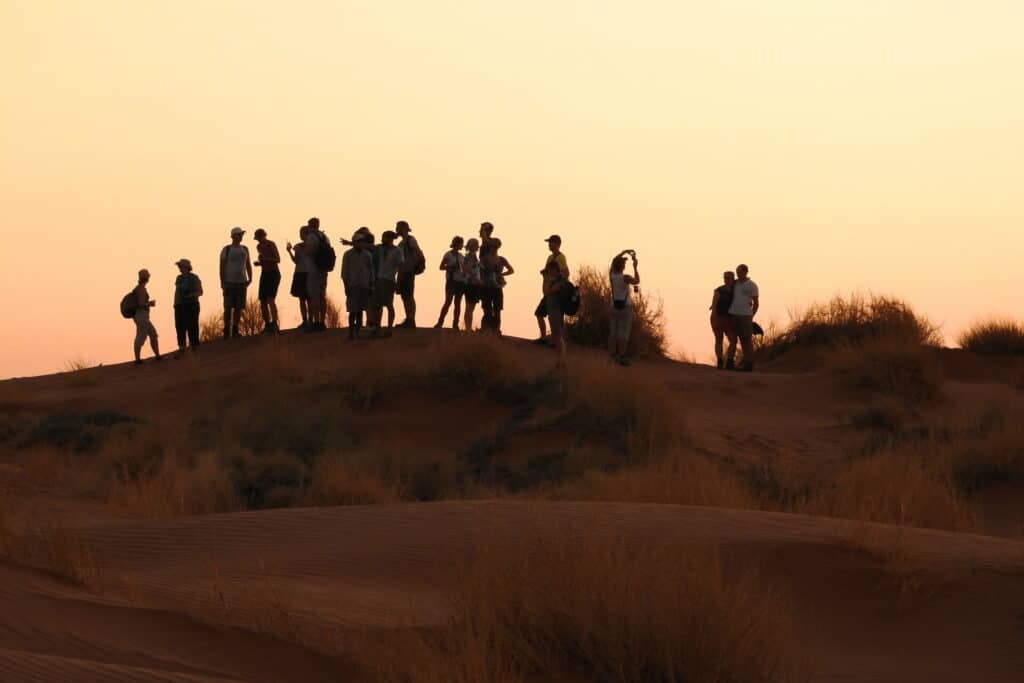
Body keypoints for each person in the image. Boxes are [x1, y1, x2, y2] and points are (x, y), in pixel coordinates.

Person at [534, 234, 570, 344]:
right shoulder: (550, 257)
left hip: (557, 292)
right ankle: (544, 338)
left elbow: (566, 273)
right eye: (549, 242)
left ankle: (557, 341)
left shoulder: (561, 257)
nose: (549, 245)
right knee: (540, 313)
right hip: (548, 290)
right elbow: (547, 271)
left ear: (558, 244)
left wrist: (554, 278)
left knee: (556, 317)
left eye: (552, 242)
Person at [219, 227, 252, 338]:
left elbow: (248, 264)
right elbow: (222, 266)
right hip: (229, 281)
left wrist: (250, 278)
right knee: (228, 307)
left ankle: (235, 329)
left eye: (241, 234)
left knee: (239, 307)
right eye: (238, 235)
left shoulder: (245, 249)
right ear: (233, 236)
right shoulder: (227, 249)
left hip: (242, 281)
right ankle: (226, 329)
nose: (240, 236)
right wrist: (222, 282)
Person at [609, 251, 640, 366]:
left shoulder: (611, 275)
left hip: (613, 306)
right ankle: (622, 356)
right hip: (625, 307)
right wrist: (635, 267)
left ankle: (613, 355)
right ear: (622, 266)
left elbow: (614, 260)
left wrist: (624, 252)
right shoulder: (625, 277)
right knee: (623, 333)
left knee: (613, 331)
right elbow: (637, 280)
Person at [341, 233, 375, 340]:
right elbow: (344, 272)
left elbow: (371, 271)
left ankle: (358, 332)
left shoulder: (367, 255)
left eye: (362, 241)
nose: (360, 243)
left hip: (364, 286)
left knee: (360, 310)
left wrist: (371, 286)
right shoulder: (348, 255)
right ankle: (351, 332)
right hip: (352, 285)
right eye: (358, 241)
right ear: (354, 242)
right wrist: (346, 287)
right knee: (352, 310)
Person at [371, 229, 403, 336]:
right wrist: (351, 243)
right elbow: (367, 246)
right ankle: (377, 327)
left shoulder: (397, 251)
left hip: (389, 280)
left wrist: (398, 282)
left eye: (385, 237)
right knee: (376, 305)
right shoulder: (379, 248)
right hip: (378, 279)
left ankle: (389, 328)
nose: (383, 239)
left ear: (390, 239)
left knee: (389, 305)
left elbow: (401, 266)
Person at [728, 263, 760, 372]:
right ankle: (734, 362)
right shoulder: (735, 283)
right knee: (735, 339)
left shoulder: (752, 285)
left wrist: (751, 315)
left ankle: (749, 363)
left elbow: (756, 302)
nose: (738, 274)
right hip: (733, 314)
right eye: (737, 272)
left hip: (746, 315)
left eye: (739, 272)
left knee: (746, 340)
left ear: (745, 272)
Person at [479, 238, 514, 334]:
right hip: (486, 287)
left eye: (495, 247)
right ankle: (485, 330)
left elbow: (511, 270)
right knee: (487, 311)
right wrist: (482, 282)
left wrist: (502, 275)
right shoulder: (484, 259)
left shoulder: (501, 259)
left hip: (497, 288)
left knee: (497, 310)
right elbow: (480, 273)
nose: (494, 248)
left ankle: (496, 330)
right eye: (492, 246)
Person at [173, 259, 203, 358]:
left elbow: (200, 292)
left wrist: (190, 295)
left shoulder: (194, 278)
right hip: (179, 305)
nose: (179, 268)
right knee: (180, 326)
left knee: (192, 325)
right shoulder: (179, 278)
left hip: (191, 304)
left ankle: (194, 347)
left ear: (186, 267)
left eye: (180, 266)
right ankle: (182, 348)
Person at [253, 228, 281, 333]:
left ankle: (274, 323)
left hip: (273, 273)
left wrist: (266, 259)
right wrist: (260, 263)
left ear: (263, 236)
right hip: (264, 273)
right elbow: (264, 260)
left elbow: (278, 259)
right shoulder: (259, 246)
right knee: (262, 300)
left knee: (270, 299)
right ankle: (267, 324)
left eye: (259, 238)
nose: (258, 240)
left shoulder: (270, 244)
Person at [434, 236, 466, 329]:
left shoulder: (461, 256)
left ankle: (455, 324)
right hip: (451, 280)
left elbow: (464, 269)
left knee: (458, 303)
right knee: (448, 302)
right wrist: (451, 267)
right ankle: (440, 322)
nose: (459, 245)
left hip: (460, 281)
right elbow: (441, 267)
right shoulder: (448, 254)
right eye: (458, 243)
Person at [131, 269, 161, 365]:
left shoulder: (140, 288)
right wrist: (150, 304)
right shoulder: (140, 289)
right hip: (141, 315)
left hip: (141, 316)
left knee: (153, 334)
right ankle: (137, 359)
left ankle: (157, 355)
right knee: (141, 336)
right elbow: (140, 304)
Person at [541, 261, 568, 367]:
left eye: (550, 270)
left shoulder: (560, 281)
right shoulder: (554, 280)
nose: (549, 272)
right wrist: (546, 280)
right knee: (556, 336)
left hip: (557, 311)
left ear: (554, 270)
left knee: (558, 336)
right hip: (552, 310)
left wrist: (546, 280)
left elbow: (548, 291)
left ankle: (562, 360)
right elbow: (545, 292)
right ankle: (559, 360)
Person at [710, 271, 737, 370]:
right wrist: (714, 318)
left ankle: (729, 361)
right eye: (725, 277)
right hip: (719, 317)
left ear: (733, 279)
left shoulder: (736, 290)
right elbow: (714, 305)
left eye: (729, 278)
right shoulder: (719, 290)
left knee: (733, 340)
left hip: (729, 318)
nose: (727, 279)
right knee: (719, 340)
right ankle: (720, 360)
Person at [303, 217, 327, 332]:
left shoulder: (311, 237)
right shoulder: (325, 237)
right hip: (324, 269)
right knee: (322, 296)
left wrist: (305, 250)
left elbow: (309, 252)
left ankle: (316, 322)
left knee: (314, 296)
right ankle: (322, 321)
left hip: (313, 270)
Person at [395, 220, 420, 328]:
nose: (396, 229)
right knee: (405, 296)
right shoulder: (401, 243)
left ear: (404, 228)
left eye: (398, 227)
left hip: (408, 271)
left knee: (409, 296)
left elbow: (416, 253)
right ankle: (408, 318)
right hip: (403, 271)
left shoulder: (410, 240)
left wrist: (414, 266)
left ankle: (411, 319)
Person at [286, 225, 311, 330]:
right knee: (302, 299)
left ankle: (311, 320)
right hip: (300, 273)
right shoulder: (297, 247)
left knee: (309, 298)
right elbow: (296, 261)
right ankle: (305, 320)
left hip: (307, 273)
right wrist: (289, 251)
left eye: (302, 233)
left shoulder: (311, 246)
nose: (300, 235)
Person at [462, 238, 482, 331]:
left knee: (471, 307)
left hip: (474, 284)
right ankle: (468, 328)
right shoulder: (470, 256)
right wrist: (476, 279)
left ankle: (468, 327)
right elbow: (467, 269)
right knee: (469, 307)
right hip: (471, 284)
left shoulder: (473, 256)